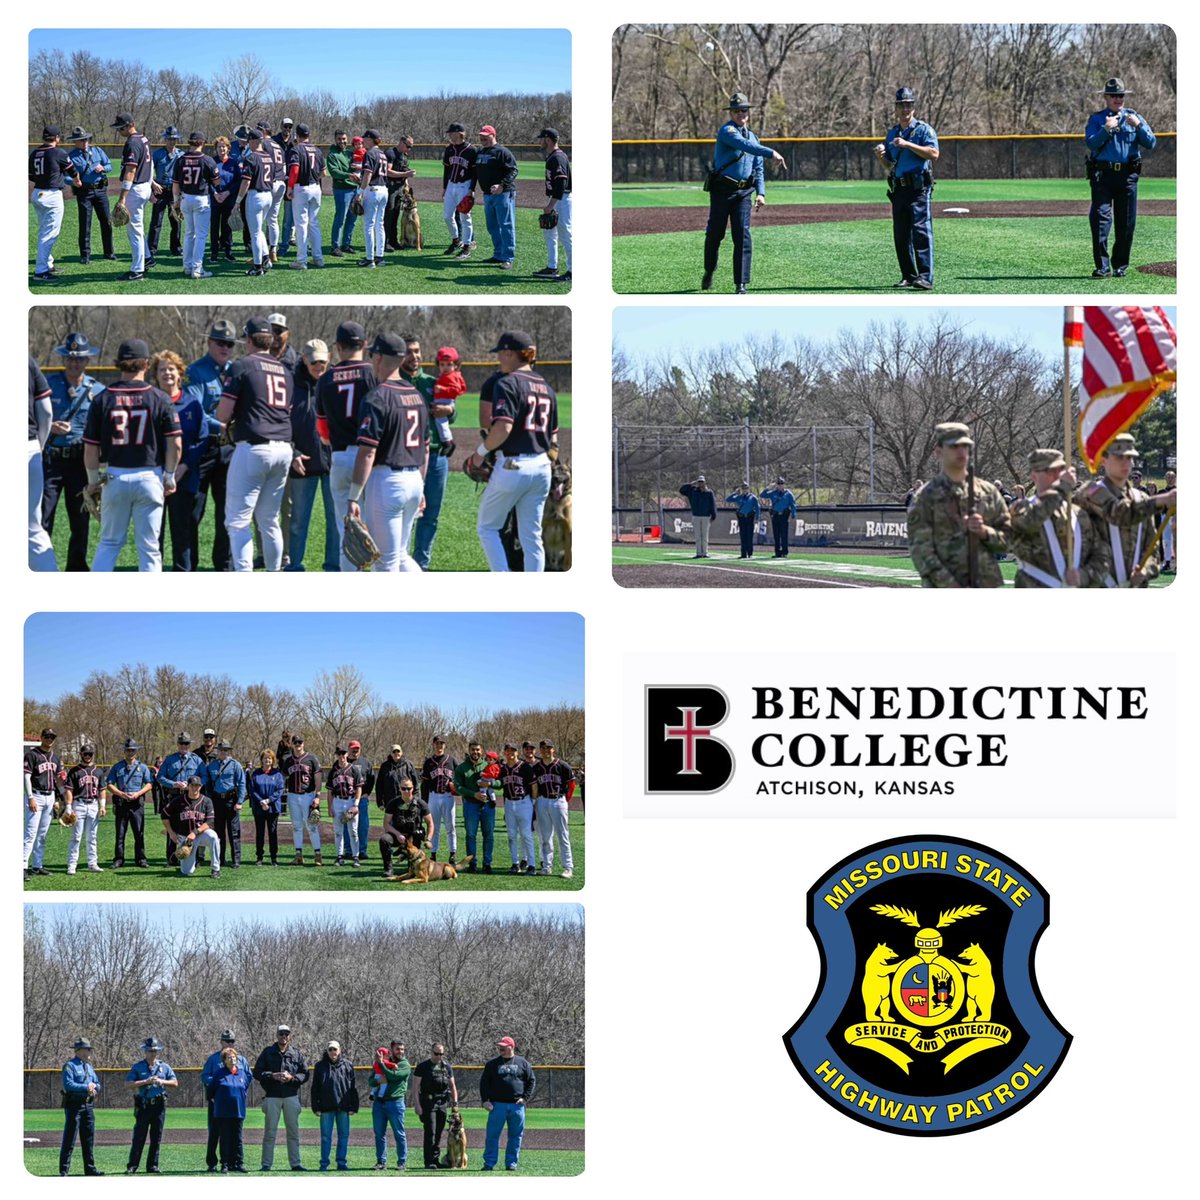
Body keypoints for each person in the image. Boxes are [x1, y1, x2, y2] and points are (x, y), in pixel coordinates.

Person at [83, 338, 182, 571]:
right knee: (149, 548)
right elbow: (176, 444)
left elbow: (90, 449)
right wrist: (169, 475)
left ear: (119, 364)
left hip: (115, 476)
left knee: (109, 543)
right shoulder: (160, 398)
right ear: (146, 364)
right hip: (150, 476)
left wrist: (92, 482)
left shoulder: (102, 398)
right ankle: (150, 606)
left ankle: (93, 604)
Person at [468, 331, 559, 572]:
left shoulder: (506, 383)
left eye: (500, 353)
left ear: (510, 353)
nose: (499, 358)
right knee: (532, 538)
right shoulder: (547, 387)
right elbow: (554, 437)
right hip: (542, 466)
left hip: (513, 465)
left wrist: (478, 453)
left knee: (487, 527)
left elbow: (503, 428)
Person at [215, 316, 294, 571]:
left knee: (238, 522)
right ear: (270, 340)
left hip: (254, 447)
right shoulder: (284, 369)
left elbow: (223, 415)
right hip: (283, 447)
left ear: (248, 340)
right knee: (269, 520)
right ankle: (274, 573)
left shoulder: (243, 365)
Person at [348, 331, 430, 572]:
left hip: (387, 483)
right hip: (414, 479)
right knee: (401, 556)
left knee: (385, 563)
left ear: (379, 358)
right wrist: (421, 486)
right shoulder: (416, 395)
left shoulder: (377, 396)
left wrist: (353, 496)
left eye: (373, 354)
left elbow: (367, 453)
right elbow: (425, 448)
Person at [907, 423, 1010, 587]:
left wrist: (984, 531)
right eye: (954, 446)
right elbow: (920, 551)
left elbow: (1009, 541)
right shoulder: (926, 497)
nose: (961, 451)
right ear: (939, 452)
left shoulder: (988, 492)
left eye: (965, 446)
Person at [700, 94, 784, 295]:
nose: (741, 114)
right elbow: (746, 147)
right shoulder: (727, 131)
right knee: (715, 234)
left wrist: (761, 193)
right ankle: (709, 270)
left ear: (748, 113)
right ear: (731, 113)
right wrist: (771, 152)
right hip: (722, 191)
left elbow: (758, 169)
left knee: (743, 236)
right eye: (736, 111)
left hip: (743, 192)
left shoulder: (754, 137)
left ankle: (741, 285)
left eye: (744, 110)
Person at [1077, 433, 1175, 587]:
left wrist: (1145, 571)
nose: (1125, 463)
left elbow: (1152, 549)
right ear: (1104, 460)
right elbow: (1120, 513)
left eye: (1129, 458)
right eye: (1119, 457)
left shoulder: (1141, 497)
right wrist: (1161, 500)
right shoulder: (1090, 492)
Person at [318, 320, 377, 572]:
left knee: (348, 536)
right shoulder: (374, 374)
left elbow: (322, 432)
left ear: (337, 346)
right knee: (376, 531)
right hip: (371, 460)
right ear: (364, 344)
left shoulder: (326, 378)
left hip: (340, 457)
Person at [42, 332, 103, 572]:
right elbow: (33, 419)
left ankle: (76, 567)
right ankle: (41, 565)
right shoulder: (48, 385)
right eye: (70, 358)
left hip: (81, 462)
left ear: (87, 361)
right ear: (64, 359)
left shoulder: (97, 390)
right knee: (43, 516)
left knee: (80, 519)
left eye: (79, 359)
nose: (74, 363)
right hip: (52, 462)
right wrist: (50, 427)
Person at [1085, 77, 1158, 278]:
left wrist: (1138, 127)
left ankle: (1120, 265)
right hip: (1103, 176)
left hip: (1127, 177)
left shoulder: (1134, 117)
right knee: (1100, 219)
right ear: (1106, 97)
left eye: (1121, 95)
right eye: (1114, 95)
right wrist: (1106, 129)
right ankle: (1102, 266)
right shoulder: (1097, 119)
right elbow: (1091, 144)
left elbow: (1151, 143)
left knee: (1126, 223)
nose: (1118, 99)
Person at [873, 88, 939, 290]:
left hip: (918, 188)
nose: (905, 109)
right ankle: (909, 276)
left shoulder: (923, 130)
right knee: (901, 235)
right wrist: (880, 156)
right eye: (901, 105)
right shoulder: (893, 133)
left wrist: (908, 144)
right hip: (899, 188)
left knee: (921, 231)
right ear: (896, 107)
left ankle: (925, 277)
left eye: (908, 104)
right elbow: (889, 165)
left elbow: (934, 153)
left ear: (914, 107)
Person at [185, 319, 237, 571]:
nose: (225, 347)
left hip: (229, 450)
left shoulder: (236, 371)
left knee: (227, 513)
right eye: (220, 342)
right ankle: (189, 565)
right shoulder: (196, 371)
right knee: (194, 511)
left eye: (229, 343)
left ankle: (223, 566)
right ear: (209, 343)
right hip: (203, 449)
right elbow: (196, 411)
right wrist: (222, 426)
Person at [1007, 449, 1100, 588]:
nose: (1057, 475)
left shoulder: (1078, 513)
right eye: (1049, 471)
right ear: (1033, 476)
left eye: (1061, 469)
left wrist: (1084, 575)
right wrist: (1061, 488)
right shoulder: (1021, 509)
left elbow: (1099, 554)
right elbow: (1029, 523)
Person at [151, 349, 205, 572]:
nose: (167, 373)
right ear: (155, 375)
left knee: (183, 532)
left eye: (171, 369)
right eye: (162, 369)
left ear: (180, 373)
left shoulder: (192, 403)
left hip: (185, 478)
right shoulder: (150, 401)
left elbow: (201, 440)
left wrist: (183, 466)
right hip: (154, 478)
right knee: (154, 534)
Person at [287, 339, 337, 570]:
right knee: (297, 521)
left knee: (335, 520)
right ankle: (294, 566)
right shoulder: (290, 383)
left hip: (332, 461)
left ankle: (333, 567)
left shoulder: (334, 380)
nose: (320, 366)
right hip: (302, 461)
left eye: (323, 361)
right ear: (304, 359)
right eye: (315, 361)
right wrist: (292, 451)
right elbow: (279, 423)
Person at [29, 125, 82, 281]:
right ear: (57, 138)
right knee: (49, 234)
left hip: (37, 194)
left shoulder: (35, 153)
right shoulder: (58, 152)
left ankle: (48, 263)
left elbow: (31, 175)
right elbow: (72, 171)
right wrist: (77, 181)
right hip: (51, 196)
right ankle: (40, 271)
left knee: (44, 231)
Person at [254, 1025, 309, 1171]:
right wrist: (272, 1075)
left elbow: (305, 1074)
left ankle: (295, 1164)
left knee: (293, 1133)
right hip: (272, 1097)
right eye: (281, 1033)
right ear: (277, 1035)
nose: (284, 1036)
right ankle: (266, 1164)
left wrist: (292, 1077)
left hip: (291, 1096)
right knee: (270, 1133)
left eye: (286, 1034)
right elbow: (257, 1072)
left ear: (290, 1036)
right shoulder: (267, 1052)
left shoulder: (296, 1053)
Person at [480, 1036, 535, 1172]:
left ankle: (511, 1163)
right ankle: (489, 1163)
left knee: (515, 1136)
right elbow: (484, 1083)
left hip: (517, 1106)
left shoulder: (523, 1063)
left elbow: (531, 1081)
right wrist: (485, 1100)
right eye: (500, 1046)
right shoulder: (492, 1064)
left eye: (504, 1046)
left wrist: (525, 1098)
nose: (501, 1048)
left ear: (511, 1047)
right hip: (497, 1105)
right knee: (492, 1135)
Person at [124, 1037, 178, 1175]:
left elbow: (175, 1083)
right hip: (144, 1105)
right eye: (149, 1051)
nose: (152, 1053)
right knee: (139, 1137)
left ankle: (152, 1165)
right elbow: (128, 1084)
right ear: (145, 1051)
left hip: (159, 1106)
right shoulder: (138, 1066)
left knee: (156, 1137)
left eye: (155, 1051)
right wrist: (145, 1081)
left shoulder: (164, 1066)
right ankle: (133, 1166)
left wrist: (162, 1081)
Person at [110, 113, 154, 281]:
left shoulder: (133, 142)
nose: (119, 131)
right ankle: (147, 258)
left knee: (134, 230)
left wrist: (122, 198)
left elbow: (130, 171)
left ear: (130, 125)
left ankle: (137, 270)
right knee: (138, 227)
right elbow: (150, 165)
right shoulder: (143, 139)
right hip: (144, 187)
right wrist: (150, 185)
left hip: (135, 189)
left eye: (121, 128)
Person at [172, 131, 219, 279]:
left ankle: (187, 266)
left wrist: (176, 201)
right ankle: (197, 269)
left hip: (185, 198)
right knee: (201, 236)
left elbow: (175, 184)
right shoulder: (207, 160)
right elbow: (217, 182)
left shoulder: (180, 159)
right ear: (203, 142)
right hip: (201, 199)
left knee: (188, 233)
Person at [65, 128, 115, 263]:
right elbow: (65, 177)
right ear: (75, 142)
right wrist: (74, 182)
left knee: (106, 221)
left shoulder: (97, 150)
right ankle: (85, 255)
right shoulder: (72, 157)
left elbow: (109, 165)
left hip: (100, 190)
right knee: (85, 224)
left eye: (86, 139)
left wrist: (104, 168)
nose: (85, 142)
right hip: (84, 192)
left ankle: (109, 252)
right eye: (81, 140)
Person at [202, 1031, 249, 1172]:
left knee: (236, 1135)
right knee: (215, 1133)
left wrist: (238, 1090)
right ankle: (212, 1163)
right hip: (218, 1103)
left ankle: (235, 1163)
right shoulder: (214, 1059)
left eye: (232, 1041)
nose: (229, 1043)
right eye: (227, 1041)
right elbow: (205, 1077)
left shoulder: (242, 1060)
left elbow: (247, 1077)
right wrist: (220, 1089)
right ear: (221, 1042)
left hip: (236, 1104)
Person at [474, 125, 518, 268]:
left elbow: (513, 170)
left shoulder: (502, 152)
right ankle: (498, 254)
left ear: (493, 135)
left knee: (506, 225)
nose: (482, 138)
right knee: (492, 226)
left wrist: (502, 185)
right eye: (481, 136)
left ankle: (508, 258)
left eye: (486, 136)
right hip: (488, 195)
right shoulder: (480, 152)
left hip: (503, 194)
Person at [107, 738, 155, 868]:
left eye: (133, 750)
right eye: (128, 750)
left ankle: (141, 859)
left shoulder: (143, 767)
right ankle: (118, 859)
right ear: (125, 751)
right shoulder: (117, 767)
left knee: (139, 833)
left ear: (136, 751)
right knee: (120, 834)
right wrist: (121, 794)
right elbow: (109, 784)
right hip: (122, 803)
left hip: (137, 804)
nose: (130, 753)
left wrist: (138, 793)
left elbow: (149, 784)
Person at [161, 775, 222, 877]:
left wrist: (195, 832)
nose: (194, 788)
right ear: (187, 786)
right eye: (192, 785)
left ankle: (216, 869)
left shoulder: (207, 801)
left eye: (197, 785)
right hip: (185, 838)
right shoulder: (178, 800)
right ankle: (186, 864)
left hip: (201, 834)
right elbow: (164, 815)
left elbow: (210, 821)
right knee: (187, 872)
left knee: (213, 837)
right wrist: (171, 833)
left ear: (201, 786)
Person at [60, 1037, 104, 1177]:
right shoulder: (70, 1066)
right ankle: (64, 1170)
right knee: (70, 1138)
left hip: (88, 1105)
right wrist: (86, 1087)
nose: (90, 1051)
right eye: (87, 1049)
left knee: (88, 1139)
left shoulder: (89, 1066)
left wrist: (94, 1087)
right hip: (74, 1105)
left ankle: (90, 1169)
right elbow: (68, 1085)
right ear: (78, 1051)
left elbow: (97, 1083)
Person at [28, 356, 57, 569]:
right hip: (28, 447)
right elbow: (46, 411)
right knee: (32, 527)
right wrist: (39, 445)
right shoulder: (26, 360)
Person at [312, 1041, 359, 1172]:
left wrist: (353, 1106)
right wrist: (316, 1107)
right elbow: (314, 1088)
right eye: (330, 1049)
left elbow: (353, 1088)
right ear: (327, 1051)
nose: (333, 1052)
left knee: (343, 1136)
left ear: (340, 1050)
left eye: (335, 1049)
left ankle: (341, 1163)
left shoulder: (348, 1065)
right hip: (326, 1108)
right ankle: (324, 1164)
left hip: (343, 1108)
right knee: (326, 1137)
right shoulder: (320, 1066)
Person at [158, 734, 204, 865]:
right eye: (182, 744)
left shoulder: (197, 760)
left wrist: (194, 787)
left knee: (194, 825)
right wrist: (173, 784)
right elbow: (160, 777)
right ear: (178, 744)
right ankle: (172, 858)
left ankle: (196, 858)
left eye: (187, 744)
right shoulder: (170, 759)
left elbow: (204, 777)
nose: (184, 746)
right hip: (174, 796)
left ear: (190, 745)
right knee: (172, 827)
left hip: (191, 797)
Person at [235, 127, 275, 277]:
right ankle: (265, 259)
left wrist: (238, 201)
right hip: (268, 195)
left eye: (248, 141)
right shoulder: (268, 157)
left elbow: (246, 183)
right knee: (260, 230)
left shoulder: (251, 157)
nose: (246, 144)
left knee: (255, 233)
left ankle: (257, 267)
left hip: (256, 196)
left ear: (252, 141)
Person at [532, 739, 575, 878]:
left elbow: (572, 785)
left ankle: (568, 867)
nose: (546, 750)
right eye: (543, 748)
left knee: (562, 835)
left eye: (548, 748)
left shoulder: (562, 765)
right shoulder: (536, 767)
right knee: (545, 836)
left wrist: (564, 800)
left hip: (558, 800)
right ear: (540, 750)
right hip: (542, 801)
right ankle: (546, 866)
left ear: (553, 749)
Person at [535, 127, 572, 281]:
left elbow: (562, 182)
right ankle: (552, 267)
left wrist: (551, 205)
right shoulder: (553, 156)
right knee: (550, 234)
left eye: (541, 138)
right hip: (557, 199)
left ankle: (573, 271)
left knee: (566, 235)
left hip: (562, 200)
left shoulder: (558, 157)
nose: (540, 141)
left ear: (548, 140)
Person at [24, 727, 61, 880]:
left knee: (42, 834)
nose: (49, 739)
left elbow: (58, 780)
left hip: (50, 796)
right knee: (30, 833)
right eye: (47, 736)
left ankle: (37, 866)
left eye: (52, 737)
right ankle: (23, 866)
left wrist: (60, 799)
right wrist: (30, 797)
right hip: (36, 796)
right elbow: (26, 777)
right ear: (41, 737)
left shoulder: (55, 757)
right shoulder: (32, 755)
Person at [286, 124, 325, 269]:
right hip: (316, 187)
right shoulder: (317, 150)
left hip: (302, 188)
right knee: (314, 224)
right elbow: (323, 173)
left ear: (297, 135)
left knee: (301, 225)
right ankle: (318, 258)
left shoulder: (296, 149)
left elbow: (295, 170)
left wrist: (290, 187)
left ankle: (301, 260)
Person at [413, 1043, 458, 1169]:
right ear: (431, 1052)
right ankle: (428, 1161)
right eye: (436, 1053)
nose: (439, 1056)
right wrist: (417, 1105)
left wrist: (455, 1104)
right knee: (430, 1132)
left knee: (438, 1133)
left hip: (442, 1103)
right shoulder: (423, 1067)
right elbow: (415, 1088)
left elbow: (452, 1086)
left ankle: (435, 1159)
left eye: (441, 1054)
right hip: (428, 1102)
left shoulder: (446, 1067)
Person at [379, 776, 433, 880]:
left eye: (409, 788)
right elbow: (386, 824)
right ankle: (388, 869)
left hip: (414, 836)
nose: (406, 791)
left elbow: (430, 823)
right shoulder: (393, 803)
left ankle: (412, 867)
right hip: (397, 834)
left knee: (417, 835)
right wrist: (397, 834)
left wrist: (428, 839)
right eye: (403, 788)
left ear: (413, 788)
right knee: (384, 840)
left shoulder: (421, 803)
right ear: (400, 788)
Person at [64, 744, 106, 876]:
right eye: (85, 754)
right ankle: (72, 865)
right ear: (81, 754)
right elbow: (69, 790)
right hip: (79, 804)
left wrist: (103, 805)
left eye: (90, 754)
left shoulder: (98, 771)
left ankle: (92, 863)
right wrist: (69, 807)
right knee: (76, 837)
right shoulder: (74, 771)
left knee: (92, 837)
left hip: (93, 804)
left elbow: (102, 790)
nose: (88, 756)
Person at [282, 734, 324, 866]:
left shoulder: (311, 758)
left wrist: (317, 796)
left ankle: (317, 855)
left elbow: (318, 779)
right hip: (293, 796)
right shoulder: (288, 760)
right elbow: (282, 777)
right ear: (292, 744)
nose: (298, 745)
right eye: (295, 743)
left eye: (300, 742)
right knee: (296, 827)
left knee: (312, 826)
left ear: (303, 743)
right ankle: (298, 855)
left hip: (308, 795)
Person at [370, 1042, 411, 1170]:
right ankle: (381, 1162)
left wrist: (381, 1064)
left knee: (399, 1134)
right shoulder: (383, 1061)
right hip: (379, 1104)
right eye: (397, 1049)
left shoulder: (404, 1064)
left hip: (395, 1103)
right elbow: (371, 1081)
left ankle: (401, 1162)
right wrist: (378, 1081)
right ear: (391, 1050)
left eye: (402, 1049)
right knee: (379, 1134)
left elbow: (393, 1076)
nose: (400, 1051)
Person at [205, 739, 246, 868]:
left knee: (234, 832)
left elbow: (241, 784)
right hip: (216, 801)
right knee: (218, 833)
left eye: (225, 750)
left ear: (229, 752)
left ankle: (236, 860)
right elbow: (207, 785)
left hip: (231, 801)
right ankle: (220, 859)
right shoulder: (211, 766)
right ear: (217, 751)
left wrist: (239, 801)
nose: (223, 752)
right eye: (221, 750)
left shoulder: (235, 765)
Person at [212, 1045, 253, 1173]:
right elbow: (211, 1090)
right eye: (229, 1057)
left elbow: (244, 1087)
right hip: (223, 1112)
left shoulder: (242, 1073)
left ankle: (238, 1163)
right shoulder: (219, 1074)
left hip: (238, 1111)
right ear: (224, 1060)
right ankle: (225, 1164)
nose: (233, 1059)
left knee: (238, 1139)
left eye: (234, 1057)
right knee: (225, 1138)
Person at [454, 741, 492, 874]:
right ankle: (472, 863)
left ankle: (487, 863)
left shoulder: (489, 765)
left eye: (477, 750)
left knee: (488, 835)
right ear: (469, 751)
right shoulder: (462, 768)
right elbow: (458, 788)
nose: (475, 752)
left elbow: (499, 783)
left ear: (481, 751)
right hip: (470, 805)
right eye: (473, 750)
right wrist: (473, 794)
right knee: (471, 835)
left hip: (488, 806)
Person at [499, 742, 535, 875]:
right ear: (505, 753)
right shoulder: (503, 769)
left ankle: (531, 865)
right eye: (508, 751)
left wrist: (533, 802)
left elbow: (534, 786)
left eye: (513, 751)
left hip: (524, 802)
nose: (510, 753)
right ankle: (515, 864)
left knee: (526, 834)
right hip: (509, 803)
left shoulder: (525, 767)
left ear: (517, 753)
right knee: (511, 835)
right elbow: (498, 784)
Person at [421, 737, 458, 865]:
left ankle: (453, 853)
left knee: (451, 826)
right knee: (433, 826)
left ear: (445, 745)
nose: (439, 746)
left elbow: (458, 779)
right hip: (433, 797)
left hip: (448, 796)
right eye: (437, 744)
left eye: (442, 744)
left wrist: (456, 787)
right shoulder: (428, 762)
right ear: (433, 745)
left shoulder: (452, 761)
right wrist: (424, 802)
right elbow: (424, 784)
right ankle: (433, 854)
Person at [326, 744, 365, 867]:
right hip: (337, 801)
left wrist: (356, 805)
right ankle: (339, 856)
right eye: (339, 754)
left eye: (343, 754)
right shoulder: (334, 771)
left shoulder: (354, 769)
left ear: (347, 754)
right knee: (338, 831)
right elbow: (330, 791)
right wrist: (330, 807)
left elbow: (359, 788)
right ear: (337, 756)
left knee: (353, 831)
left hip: (350, 801)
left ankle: (355, 857)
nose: (341, 756)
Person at [442, 123, 477, 256]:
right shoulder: (449, 149)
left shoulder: (471, 150)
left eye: (452, 132)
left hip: (465, 185)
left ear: (460, 134)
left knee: (465, 216)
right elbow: (446, 169)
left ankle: (467, 246)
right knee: (447, 216)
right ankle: (456, 240)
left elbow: (475, 172)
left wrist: (471, 189)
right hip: (451, 185)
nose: (450, 135)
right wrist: (445, 187)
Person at [356, 129, 389, 268]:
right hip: (384, 190)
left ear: (370, 139)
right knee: (379, 225)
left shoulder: (370, 153)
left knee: (369, 226)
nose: (363, 141)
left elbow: (368, 175)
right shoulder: (383, 154)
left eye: (365, 138)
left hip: (373, 190)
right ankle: (380, 257)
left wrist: (360, 191)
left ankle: (370, 259)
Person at [249, 749, 285, 865]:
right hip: (259, 807)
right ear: (262, 760)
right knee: (260, 833)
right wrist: (261, 801)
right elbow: (252, 790)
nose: (267, 760)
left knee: (272, 833)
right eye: (265, 758)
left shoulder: (277, 774)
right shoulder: (256, 773)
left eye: (269, 758)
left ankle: (274, 857)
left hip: (273, 808)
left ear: (273, 760)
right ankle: (259, 857)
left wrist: (268, 800)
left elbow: (280, 789)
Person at [327, 130, 358, 256]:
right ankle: (335, 246)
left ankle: (346, 244)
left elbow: (357, 166)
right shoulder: (332, 155)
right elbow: (334, 172)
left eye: (344, 139)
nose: (342, 141)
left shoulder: (350, 153)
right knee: (340, 218)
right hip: (342, 190)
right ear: (335, 139)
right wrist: (348, 175)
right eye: (339, 139)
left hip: (354, 189)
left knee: (352, 218)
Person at [384, 134, 416, 251]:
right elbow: (388, 172)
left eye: (411, 147)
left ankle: (393, 241)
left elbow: (403, 169)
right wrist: (405, 174)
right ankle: (385, 242)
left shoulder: (404, 155)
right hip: (390, 188)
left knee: (396, 215)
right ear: (401, 142)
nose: (409, 149)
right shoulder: (390, 153)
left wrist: (406, 182)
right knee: (388, 216)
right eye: (408, 146)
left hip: (399, 188)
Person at [346, 740, 377, 858]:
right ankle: (349, 850)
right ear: (349, 749)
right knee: (346, 825)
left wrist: (366, 793)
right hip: (347, 798)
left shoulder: (365, 763)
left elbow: (371, 780)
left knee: (363, 826)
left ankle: (362, 850)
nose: (355, 751)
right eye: (353, 748)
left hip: (362, 799)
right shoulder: (344, 761)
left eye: (357, 749)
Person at [210, 136, 238, 262]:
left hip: (228, 199)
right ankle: (214, 252)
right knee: (214, 226)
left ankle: (228, 251)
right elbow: (207, 180)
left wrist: (228, 192)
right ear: (216, 148)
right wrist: (215, 193)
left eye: (224, 146)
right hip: (215, 199)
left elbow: (238, 181)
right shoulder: (211, 161)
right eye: (219, 146)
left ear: (228, 148)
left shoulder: (233, 162)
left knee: (227, 226)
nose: (221, 149)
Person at [679, 475, 717, 557]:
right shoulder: (693, 491)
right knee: (698, 536)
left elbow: (712, 504)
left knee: (705, 536)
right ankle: (699, 553)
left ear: (705, 482)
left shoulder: (709, 492)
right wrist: (690, 484)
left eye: (702, 482)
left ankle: (705, 553)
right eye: (699, 482)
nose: (700, 483)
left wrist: (713, 515)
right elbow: (681, 490)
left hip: (706, 516)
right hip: (696, 516)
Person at [760, 476, 797, 558]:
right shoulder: (773, 493)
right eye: (778, 484)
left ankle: (784, 552)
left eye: (781, 484)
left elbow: (793, 504)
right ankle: (777, 552)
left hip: (784, 515)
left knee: (784, 534)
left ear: (784, 485)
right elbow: (762, 495)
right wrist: (768, 487)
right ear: (776, 485)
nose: (780, 486)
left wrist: (794, 514)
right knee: (776, 535)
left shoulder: (788, 494)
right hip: (775, 515)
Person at [726, 482, 761, 558]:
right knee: (743, 536)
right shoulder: (739, 497)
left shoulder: (752, 498)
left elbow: (757, 508)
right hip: (742, 518)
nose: (745, 490)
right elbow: (728, 499)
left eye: (746, 488)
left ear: (748, 489)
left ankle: (750, 553)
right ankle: (743, 553)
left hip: (749, 518)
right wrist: (735, 493)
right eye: (743, 488)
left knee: (749, 536)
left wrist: (757, 518)